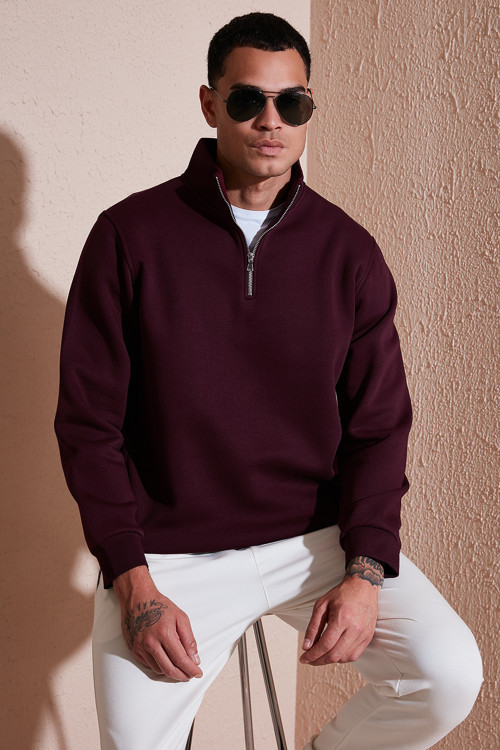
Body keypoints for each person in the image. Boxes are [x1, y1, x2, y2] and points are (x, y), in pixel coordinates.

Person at [54, 12, 482, 750]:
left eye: (293, 102)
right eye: (248, 99)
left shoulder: (349, 252)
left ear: (310, 107)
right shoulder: (129, 236)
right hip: (172, 555)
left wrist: (365, 570)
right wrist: (132, 579)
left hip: (315, 540)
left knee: (448, 673)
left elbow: (380, 426)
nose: (271, 120)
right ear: (210, 104)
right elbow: (89, 426)